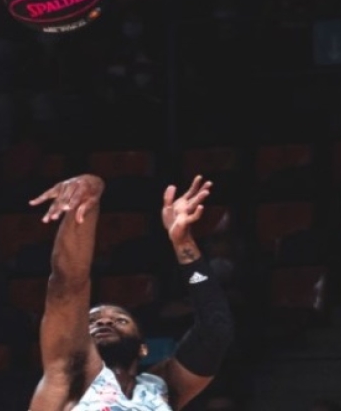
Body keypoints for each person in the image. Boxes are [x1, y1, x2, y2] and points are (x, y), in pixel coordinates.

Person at [27, 174, 234, 410]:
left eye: (121, 320)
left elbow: (215, 330)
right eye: (92, 321)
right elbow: (67, 286)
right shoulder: (66, 378)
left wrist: (184, 243)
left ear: (143, 348)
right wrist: (88, 201)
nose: (105, 321)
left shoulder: (163, 386)